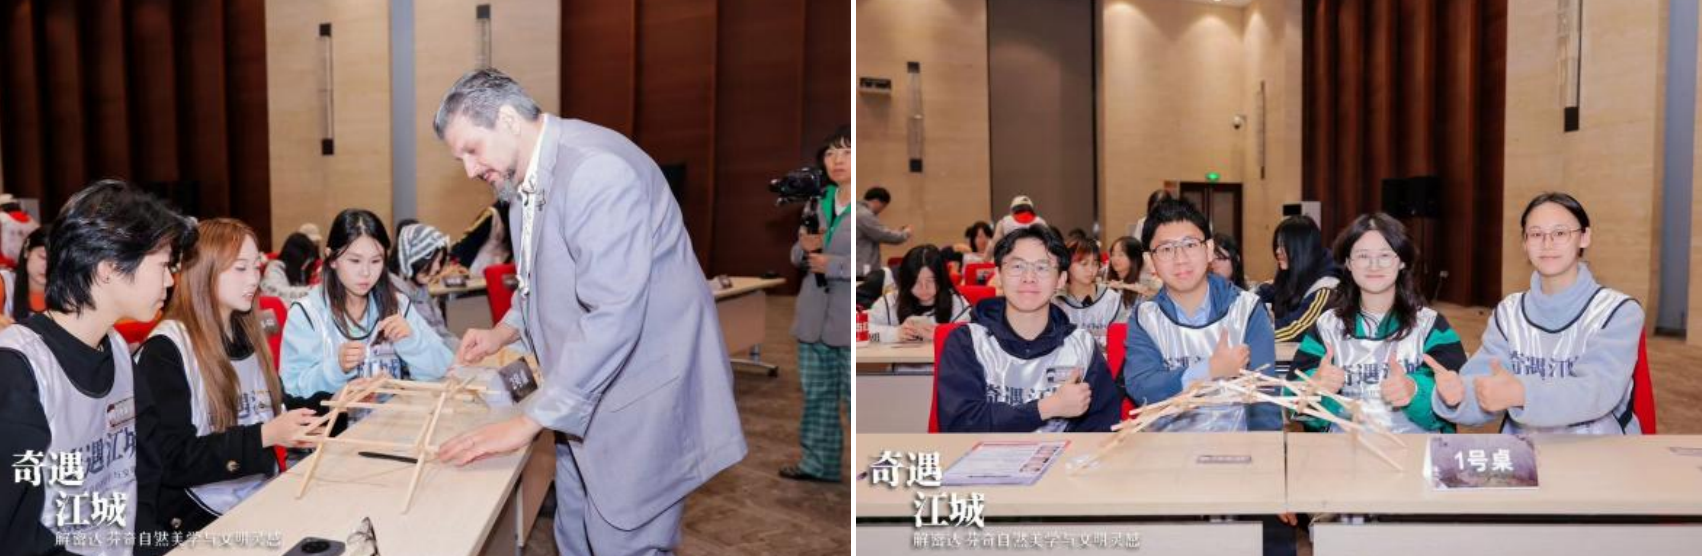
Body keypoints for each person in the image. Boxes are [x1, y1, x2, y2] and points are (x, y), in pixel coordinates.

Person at [429, 68, 746, 554]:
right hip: (582, 400)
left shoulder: (595, 170)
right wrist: (503, 332)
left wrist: (528, 420)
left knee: (623, 541)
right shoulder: (521, 183)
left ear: (508, 119)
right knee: (575, 533)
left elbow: (613, 313)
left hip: (638, 401)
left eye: (472, 149)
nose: (470, 170)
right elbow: (543, 284)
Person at [0, 180, 194, 555]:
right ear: (108, 268)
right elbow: (14, 537)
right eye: (162, 265)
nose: (171, 280)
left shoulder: (117, 348)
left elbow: (144, 475)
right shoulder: (19, 368)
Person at [133, 218, 325, 555]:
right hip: (197, 520)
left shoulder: (246, 333)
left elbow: (276, 407)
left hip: (260, 498)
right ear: (205, 271)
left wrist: (335, 403)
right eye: (240, 268)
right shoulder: (166, 350)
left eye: (256, 267)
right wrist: (264, 436)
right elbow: (171, 459)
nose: (254, 279)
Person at [1432, 192, 1644, 435]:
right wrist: (1459, 395)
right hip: (1523, 449)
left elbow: (1596, 390)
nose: (1547, 243)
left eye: (1560, 233)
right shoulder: (1509, 312)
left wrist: (1522, 393)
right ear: (1524, 243)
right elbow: (1484, 382)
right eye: (1535, 234)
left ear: (1584, 237)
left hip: (1598, 448)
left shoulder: (1618, 311)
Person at [1287, 213, 1466, 434]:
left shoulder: (1430, 326)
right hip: (1341, 451)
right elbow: (1293, 404)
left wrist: (1416, 391)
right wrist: (1315, 389)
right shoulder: (1327, 326)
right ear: (1348, 263)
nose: (1374, 265)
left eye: (1384, 255)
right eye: (1363, 256)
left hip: (1416, 452)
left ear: (1402, 261)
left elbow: (1457, 401)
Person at [936, 226, 1121, 433]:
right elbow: (960, 423)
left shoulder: (1081, 346)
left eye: (1042, 268)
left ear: (1061, 279)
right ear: (999, 273)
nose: (1029, 277)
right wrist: (1047, 407)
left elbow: (1101, 429)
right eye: (1017, 266)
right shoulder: (968, 341)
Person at [1122, 198, 1280, 432]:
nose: (1180, 259)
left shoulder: (1246, 310)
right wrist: (1209, 370)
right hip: (1165, 448)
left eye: (1190, 244)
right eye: (1166, 249)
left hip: (1235, 448)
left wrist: (1264, 450)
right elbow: (1143, 388)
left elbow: (1264, 400)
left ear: (1208, 250)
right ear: (1150, 261)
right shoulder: (1145, 318)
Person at [278, 209, 453, 402]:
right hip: (336, 422)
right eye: (355, 260)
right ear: (332, 258)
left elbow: (442, 368)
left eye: (376, 261)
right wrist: (336, 367)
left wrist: (412, 342)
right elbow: (293, 390)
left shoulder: (397, 304)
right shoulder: (307, 314)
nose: (366, 272)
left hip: (395, 418)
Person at [774, 125, 855, 484]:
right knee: (817, 397)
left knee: (857, 403)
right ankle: (818, 464)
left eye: (847, 152)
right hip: (812, 318)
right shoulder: (815, 202)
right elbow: (797, 255)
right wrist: (805, 250)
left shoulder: (866, 207)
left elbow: (874, 268)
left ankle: (877, 476)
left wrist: (833, 265)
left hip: (849, 321)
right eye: (830, 153)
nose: (837, 160)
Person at [865, 245, 970, 374]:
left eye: (930, 281)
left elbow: (971, 337)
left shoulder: (957, 303)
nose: (924, 287)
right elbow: (861, 333)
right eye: (916, 281)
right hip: (899, 376)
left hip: (945, 376)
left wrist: (940, 334)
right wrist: (894, 334)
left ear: (941, 279)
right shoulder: (890, 302)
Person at [1259, 215, 1339, 342]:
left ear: (1301, 249)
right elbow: (1264, 291)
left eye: (1283, 246)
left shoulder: (1326, 289)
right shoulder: (1294, 274)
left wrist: (1252, 332)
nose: (1277, 251)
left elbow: (1294, 331)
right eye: (1277, 245)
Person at [388, 221, 459, 352]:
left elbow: (442, 334)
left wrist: (463, 348)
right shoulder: (393, 297)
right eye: (434, 261)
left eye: (439, 261)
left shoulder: (421, 290)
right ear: (413, 258)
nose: (437, 268)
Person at [1053, 237, 1124, 340]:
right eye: (1084, 264)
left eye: (1095, 264)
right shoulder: (1055, 302)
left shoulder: (1112, 300)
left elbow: (1119, 342)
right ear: (1067, 264)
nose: (1091, 270)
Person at [854, 186, 911, 278]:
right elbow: (883, 235)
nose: (882, 210)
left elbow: (876, 233)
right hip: (861, 268)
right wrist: (905, 233)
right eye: (883, 206)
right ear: (877, 201)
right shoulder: (864, 215)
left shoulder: (856, 211)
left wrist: (895, 232)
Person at [450, 199, 513, 275]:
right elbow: (470, 240)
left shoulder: (494, 214)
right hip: (484, 270)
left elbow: (469, 240)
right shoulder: (495, 214)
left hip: (486, 271)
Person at [260, 232, 320, 305]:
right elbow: (279, 293)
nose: (305, 265)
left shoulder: (298, 271)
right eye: (306, 260)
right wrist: (310, 290)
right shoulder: (274, 268)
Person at [6, 228, 49, 325]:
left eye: (56, 262)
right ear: (26, 251)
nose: (47, 266)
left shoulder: (69, 299)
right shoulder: (6, 282)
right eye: (43, 257)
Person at [1105, 235, 1151, 311]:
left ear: (1134, 258)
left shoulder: (1142, 286)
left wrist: (1125, 286)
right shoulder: (1108, 283)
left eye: (1121, 255)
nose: (1115, 259)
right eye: (1113, 254)